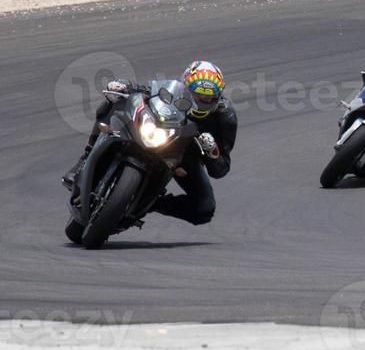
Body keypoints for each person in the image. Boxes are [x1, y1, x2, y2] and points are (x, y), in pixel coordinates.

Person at [63, 61, 236, 226]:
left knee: (204, 209)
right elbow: (147, 90)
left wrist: (212, 151)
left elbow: (221, 169)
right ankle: (83, 160)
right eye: (197, 95)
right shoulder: (173, 91)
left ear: (218, 97)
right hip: (159, 133)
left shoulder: (226, 117)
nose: (201, 102)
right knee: (115, 100)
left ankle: (152, 202)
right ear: (186, 88)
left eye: (207, 98)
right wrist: (126, 86)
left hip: (185, 157)